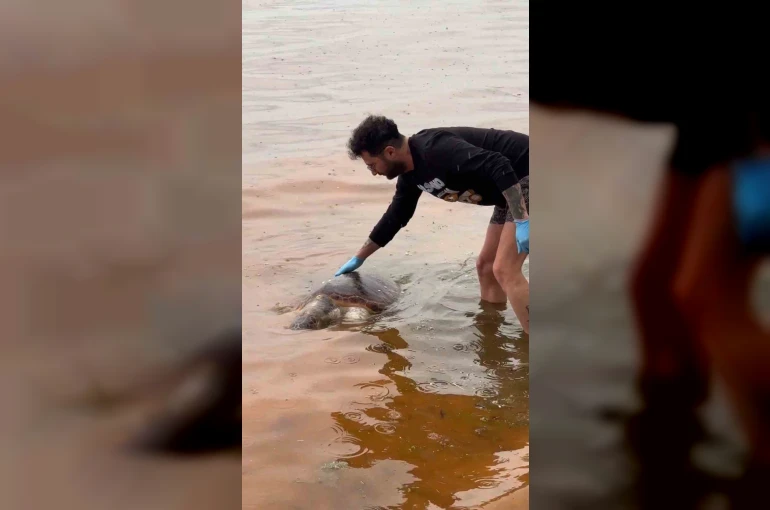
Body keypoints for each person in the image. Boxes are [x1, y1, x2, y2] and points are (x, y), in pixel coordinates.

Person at [333, 115, 530, 333]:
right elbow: (396, 217)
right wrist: (359, 257)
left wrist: (522, 220)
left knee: (505, 269)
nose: (374, 172)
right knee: (486, 266)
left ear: (390, 152)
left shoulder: (436, 150)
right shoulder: (410, 175)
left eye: (372, 165)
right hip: (510, 190)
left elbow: (498, 164)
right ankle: (492, 333)